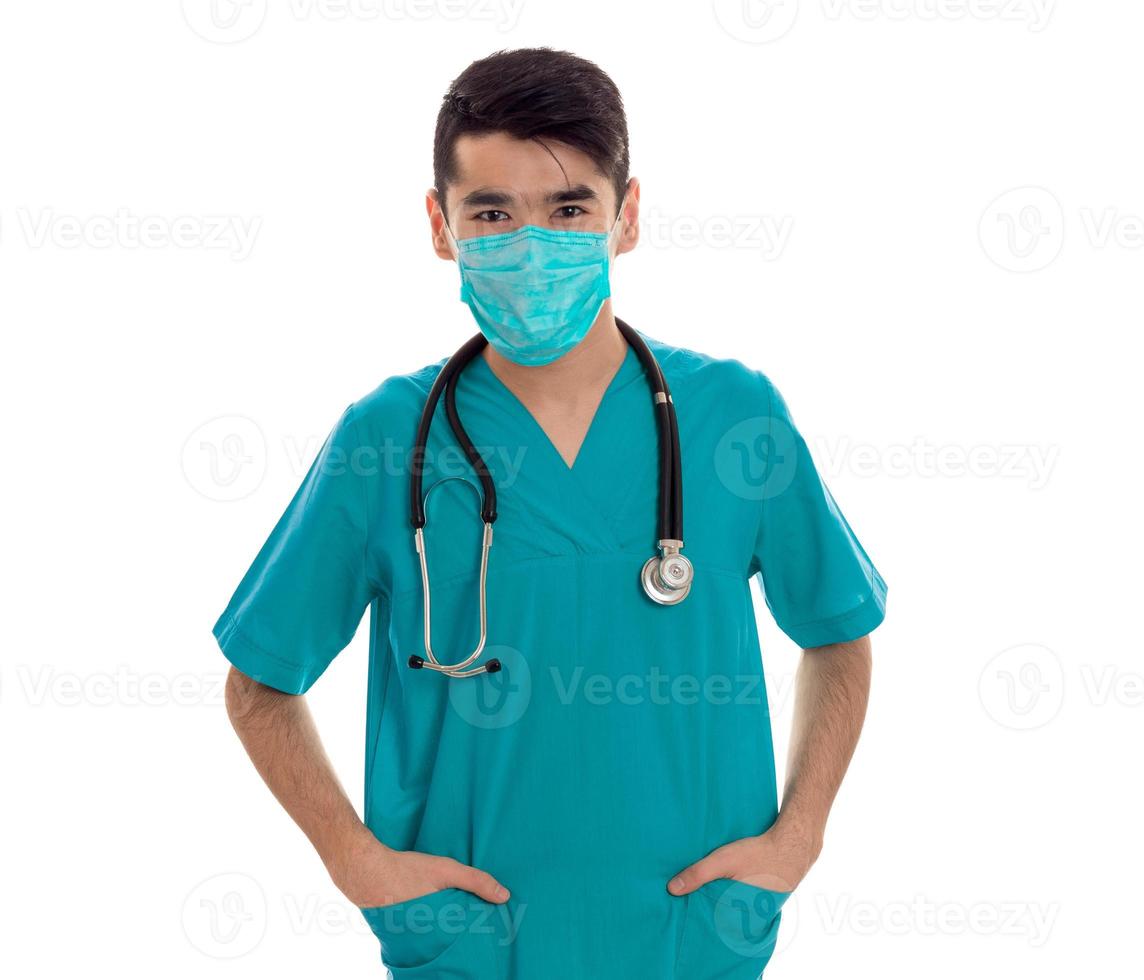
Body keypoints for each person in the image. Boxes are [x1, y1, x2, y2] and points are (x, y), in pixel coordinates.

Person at [213, 47, 887, 979]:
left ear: (629, 214)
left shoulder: (737, 417)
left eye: (569, 209)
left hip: (692, 937)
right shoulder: (386, 440)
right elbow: (259, 683)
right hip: (469, 946)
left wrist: (800, 832)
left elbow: (837, 630)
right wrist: (353, 861)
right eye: (492, 212)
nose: (531, 243)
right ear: (440, 227)